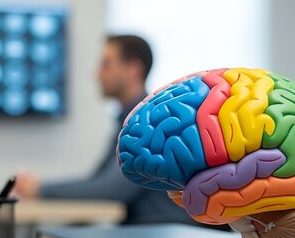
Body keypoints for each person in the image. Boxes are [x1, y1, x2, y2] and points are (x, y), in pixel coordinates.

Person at [15, 35, 201, 226]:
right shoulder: (130, 119)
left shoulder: (150, 121)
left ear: (133, 70)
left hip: (165, 237)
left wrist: (41, 189)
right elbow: (98, 181)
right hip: (147, 232)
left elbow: (111, 189)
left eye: (106, 64)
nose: (97, 74)